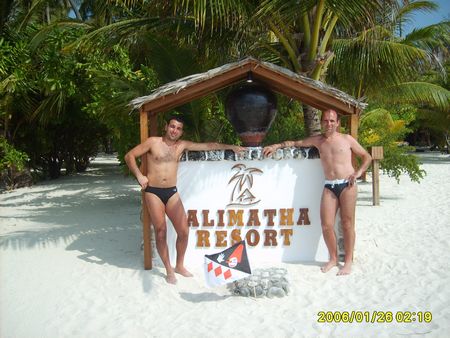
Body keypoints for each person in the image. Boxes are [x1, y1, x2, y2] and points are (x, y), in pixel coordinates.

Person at [125, 115, 244, 284]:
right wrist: (139, 176)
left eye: (178, 128)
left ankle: (179, 265)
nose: (174, 130)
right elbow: (129, 156)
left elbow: (209, 146)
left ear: (181, 132)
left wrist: (231, 146)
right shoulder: (153, 142)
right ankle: (168, 269)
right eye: (172, 126)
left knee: (184, 231)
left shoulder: (182, 145)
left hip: (172, 192)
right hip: (153, 192)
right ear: (166, 126)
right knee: (161, 232)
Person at [263, 109, 372, 275]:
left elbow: (367, 156)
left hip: (347, 185)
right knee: (326, 225)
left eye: (332, 121)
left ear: (338, 123)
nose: (329, 124)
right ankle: (333, 259)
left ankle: (348, 261)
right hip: (329, 185)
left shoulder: (346, 139)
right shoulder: (318, 141)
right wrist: (276, 146)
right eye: (326, 121)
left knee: (347, 224)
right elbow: (296, 143)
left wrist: (358, 173)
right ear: (321, 122)